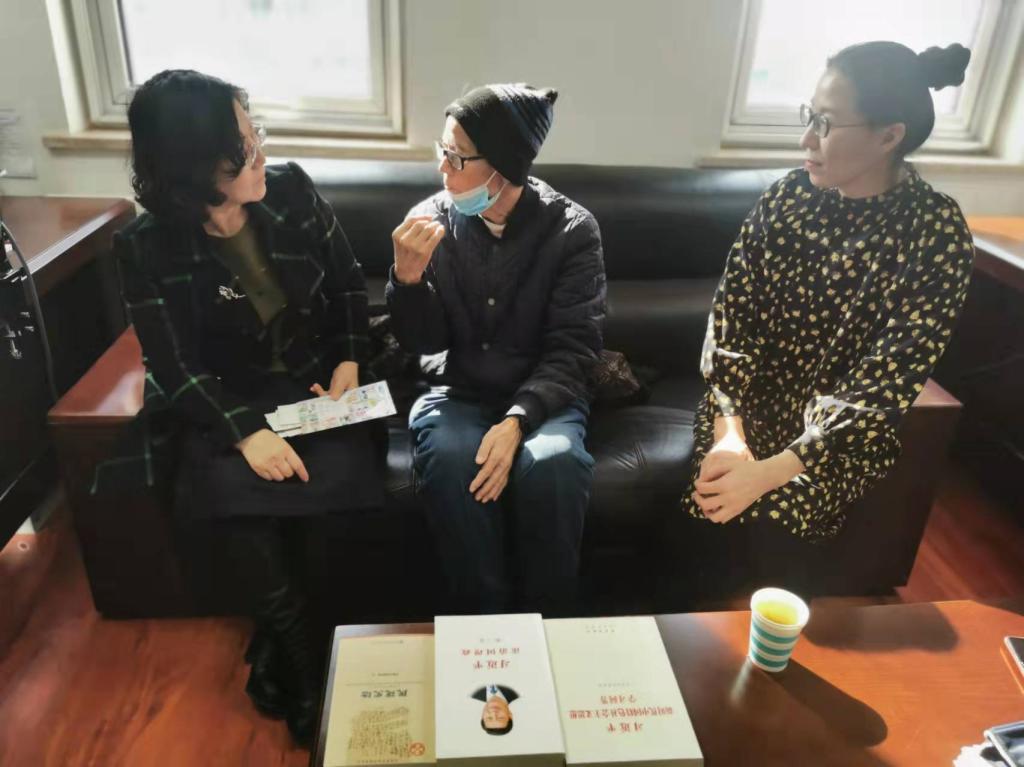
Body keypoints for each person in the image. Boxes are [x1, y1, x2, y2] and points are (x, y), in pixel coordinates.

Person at [111, 69, 383, 745]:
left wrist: (350, 361)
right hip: (224, 399)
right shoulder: (144, 247)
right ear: (195, 167)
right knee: (240, 507)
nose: (261, 151)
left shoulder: (291, 191)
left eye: (255, 131)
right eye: (244, 145)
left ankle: (289, 654)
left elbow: (350, 287)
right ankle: (305, 671)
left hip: (316, 387)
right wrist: (243, 432)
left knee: (334, 497)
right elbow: (173, 366)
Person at [681, 42, 975, 595]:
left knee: (773, 526)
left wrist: (769, 473)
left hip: (838, 437)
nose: (806, 140)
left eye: (826, 124)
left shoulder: (935, 234)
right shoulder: (786, 199)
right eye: (808, 116)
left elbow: (884, 383)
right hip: (744, 410)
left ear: (889, 136)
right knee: (709, 511)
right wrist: (729, 433)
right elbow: (732, 322)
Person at [386, 84, 606, 615]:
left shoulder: (572, 230)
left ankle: (548, 622)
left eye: (457, 157)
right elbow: (423, 344)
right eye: (442, 151)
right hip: (457, 389)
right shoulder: (430, 221)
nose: (442, 168)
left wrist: (516, 421)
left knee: (553, 464)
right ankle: (484, 626)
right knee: (451, 459)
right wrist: (407, 282)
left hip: (543, 395)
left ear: (505, 166)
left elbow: (574, 347)